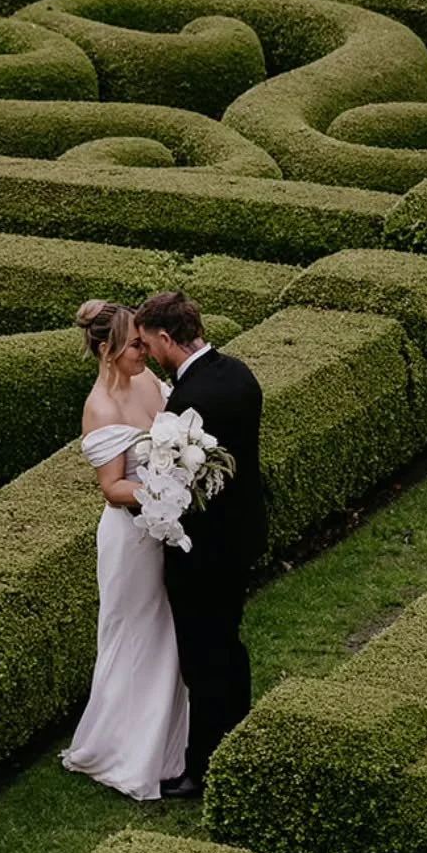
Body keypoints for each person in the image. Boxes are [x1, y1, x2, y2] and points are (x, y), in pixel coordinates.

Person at [134, 289, 267, 799]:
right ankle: (238, 740)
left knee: (203, 658)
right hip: (242, 536)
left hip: (204, 550)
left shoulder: (192, 400)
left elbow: (179, 487)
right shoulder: (238, 373)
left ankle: (205, 766)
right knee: (229, 646)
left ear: (167, 338)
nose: (148, 353)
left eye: (150, 343)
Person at [60, 300, 188, 800]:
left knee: (168, 632)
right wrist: (165, 491)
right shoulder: (101, 406)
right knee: (132, 633)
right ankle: (122, 750)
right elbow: (112, 487)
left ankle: (167, 747)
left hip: (164, 528)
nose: (144, 351)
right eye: (136, 344)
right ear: (108, 348)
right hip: (130, 537)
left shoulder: (150, 384)